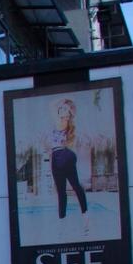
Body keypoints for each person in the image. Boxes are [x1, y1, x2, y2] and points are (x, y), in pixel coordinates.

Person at [47, 98, 91, 233]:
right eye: (61, 108)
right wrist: (66, 102)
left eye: (65, 109)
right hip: (59, 156)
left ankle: (82, 219)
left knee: (68, 190)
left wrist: (64, 103)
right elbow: (53, 105)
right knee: (69, 189)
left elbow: (51, 104)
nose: (61, 109)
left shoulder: (64, 124)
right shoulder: (62, 122)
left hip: (63, 155)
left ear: (67, 115)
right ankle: (82, 218)